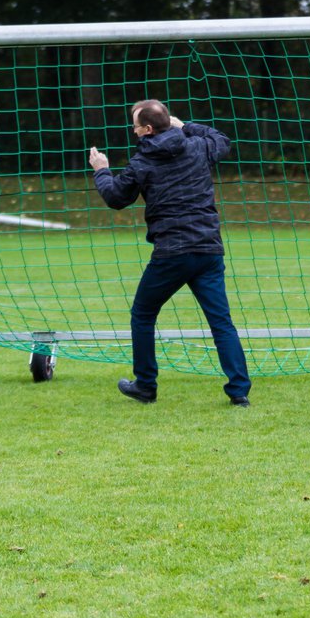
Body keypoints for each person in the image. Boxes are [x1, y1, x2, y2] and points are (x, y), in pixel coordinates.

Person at [89, 100, 252, 406]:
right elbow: (222, 140)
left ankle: (146, 385)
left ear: (147, 130)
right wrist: (185, 126)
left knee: (142, 313)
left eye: (135, 126)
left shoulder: (142, 162)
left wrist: (102, 170)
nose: (134, 131)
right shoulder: (197, 146)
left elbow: (115, 198)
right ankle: (239, 390)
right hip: (208, 250)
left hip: (172, 253)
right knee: (221, 322)